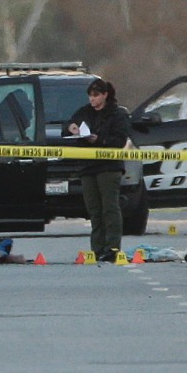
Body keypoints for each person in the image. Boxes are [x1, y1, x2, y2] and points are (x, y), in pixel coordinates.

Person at [63, 79, 131, 262]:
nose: (91, 99)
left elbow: (120, 140)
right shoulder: (85, 112)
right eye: (90, 95)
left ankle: (113, 247)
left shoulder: (117, 115)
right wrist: (72, 127)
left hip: (109, 166)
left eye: (95, 95)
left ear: (105, 95)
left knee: (110, 207)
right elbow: (68, 125)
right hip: (88, 166)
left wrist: (98, 140)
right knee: (94, 209)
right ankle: (97, 248)